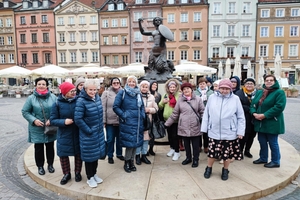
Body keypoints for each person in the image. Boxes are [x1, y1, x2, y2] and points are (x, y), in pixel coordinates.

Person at [201, 79, 245, 181]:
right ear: (219, 88)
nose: (224, 91)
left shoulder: (235, 99)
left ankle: (225, 170)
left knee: (227, 154)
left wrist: (240, 131)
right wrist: (204, 128)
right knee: (211, 153)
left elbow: (241, 117)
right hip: (214, 131)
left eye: (227, 89)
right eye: (222, 88)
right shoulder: (212, 97)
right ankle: (209, 168)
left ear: (230, 89)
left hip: (229, 132)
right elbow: (206, 114)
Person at [21, 77, 57, 176]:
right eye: (39, 84)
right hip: (37, 128)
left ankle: (50, 165)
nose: (41, 86)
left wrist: (52, 119)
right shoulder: (31, 98)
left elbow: (58, 110)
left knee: (50, 147)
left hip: (50, 127)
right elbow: (25, 111)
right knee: (38, 148)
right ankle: (40, 166)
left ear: (47, 86)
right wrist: (34, 120)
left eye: (43, 84)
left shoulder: (53, 97)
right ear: (36, 85)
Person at [74, 79, 106, 188]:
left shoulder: (97, 98)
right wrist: (88, 130)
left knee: (96, 155)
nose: (93, 92)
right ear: (85, 89)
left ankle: (94, 174)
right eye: (90, 90)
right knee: (89, 157)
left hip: (98, 132)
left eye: (94, 89)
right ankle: (89, 177)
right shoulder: (81, 101)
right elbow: (78, 119)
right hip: (88, 133)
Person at [165, 82, 205, 167]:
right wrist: (167, 124)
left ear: (191, 89)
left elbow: (202, 112)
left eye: (188, 88)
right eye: (184, 89)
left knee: (195, 145)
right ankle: (188, 158)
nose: (186, 90)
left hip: (195, 125)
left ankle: (195, 159)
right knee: (186, 144)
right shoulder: (180, 100)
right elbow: (175, 114)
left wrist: (205, 123)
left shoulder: (198, 99)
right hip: (184, 126)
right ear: (182, 91)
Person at [250, 74, 286, 168]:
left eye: (271, 80)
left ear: (275, 82)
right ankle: (263, 158)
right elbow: (253, 105)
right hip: (260, 122)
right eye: (267, 80)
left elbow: (279, 107)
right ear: (264, 81)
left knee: (273, 142)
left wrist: (264, 115)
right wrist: (254, 113)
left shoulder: (279, 92)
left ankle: (275, 161)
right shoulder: (260, 92)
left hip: (272, 122)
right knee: (261, 141)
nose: (269, 82)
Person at [50, 82, 82, 185]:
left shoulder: (79, 101)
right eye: (71, 91)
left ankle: (78, 172)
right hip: (64, 133)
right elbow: (53, 120)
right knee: (63, 154)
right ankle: (66, 174)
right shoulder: (56, 104)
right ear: (65, 92)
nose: (74, 93)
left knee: (78, 153)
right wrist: (63, 122)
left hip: (77, 131)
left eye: (74, 91)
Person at [113, 75, 145, 173]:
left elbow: (142, 107)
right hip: (128, 122)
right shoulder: (122, 92)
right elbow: (115, 107)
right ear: (127, 82)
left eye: (133, 82)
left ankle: (132, 162)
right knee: (129, 144)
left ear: (136, 83)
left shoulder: (138, 93)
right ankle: (127, 162)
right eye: (130, 81)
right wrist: (124, 115)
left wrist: (143, 116)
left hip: (138, 122)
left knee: (135, 143)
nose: (131, 83)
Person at [101, 77, 124, 164]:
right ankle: (110, 155)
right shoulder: (106, 93)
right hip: (110, 121)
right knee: (110, 139)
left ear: (120, 83)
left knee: (120, 139)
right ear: (111, 84)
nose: (116, 84)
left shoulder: (123, 92)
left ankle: (119, 154)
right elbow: (103, 108)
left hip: (120, 121)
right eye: (114, 82)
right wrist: (104, 121)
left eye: (117, 82)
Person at [136, 80, 158, 165]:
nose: (144, 88)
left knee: (146, 139)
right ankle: (137, 155)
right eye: (142, 86)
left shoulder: (152, 97)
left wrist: (149, 110)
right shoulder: (136, 96)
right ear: (140, 87)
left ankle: (144, 155)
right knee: (139, 139)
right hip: (138, 121)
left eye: (146, 87)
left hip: (148, 121)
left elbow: (156, 109)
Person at [158, 79, 181, 161]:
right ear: (168, 88)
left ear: (176, 87)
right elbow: (159, 106)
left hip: (176, 119)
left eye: (174, 87)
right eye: (171, 87)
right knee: (170, 136)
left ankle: (177, 152)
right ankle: (172, 148)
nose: (172, 88)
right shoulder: (165, 95)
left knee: (175, 136)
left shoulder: (179, 95)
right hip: (167, 119)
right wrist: (163, 102)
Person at [235, 78, 257, 159]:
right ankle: (239, 151)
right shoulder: (239, 93)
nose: (249, 85)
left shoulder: (257, 94)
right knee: (243, 136)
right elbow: (238, 105)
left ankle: (247, 150)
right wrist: (251, 108)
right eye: (247, 83)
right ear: (244, 85)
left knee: (252, 136)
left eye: (251, 84)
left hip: (254, 118)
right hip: (243, 118)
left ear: (254, 85)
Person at [194, 77, 214, 154]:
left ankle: (206, 146)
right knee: (198, 131)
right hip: (197, 114)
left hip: (208, 114)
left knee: (206, 132)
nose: (202, 85)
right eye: (200, 84)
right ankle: (199, 146)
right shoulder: (195, 92)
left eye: (203, 83)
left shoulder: (211, 92)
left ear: (206, 84)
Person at [148, 80, 161, 156]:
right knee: (147, 133)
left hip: (155, 116)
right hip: (148, 116)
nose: (154, 86)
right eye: (153, 85)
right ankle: (145, 150)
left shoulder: (158, 95)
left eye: (156, 85)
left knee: (152, 134)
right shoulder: (147, 94)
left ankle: (151, 149)